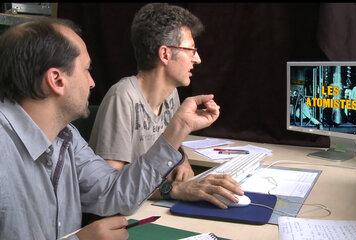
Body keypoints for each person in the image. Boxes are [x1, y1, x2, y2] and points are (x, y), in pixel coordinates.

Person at [0, 17, 242, 240]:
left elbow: (113, 193)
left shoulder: (66, 136)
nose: (93, 82)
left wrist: (179, 128)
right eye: (86, 69)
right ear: (56, 80)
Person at [89, 3, 210, 201]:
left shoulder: (171, 94)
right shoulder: (122, 97)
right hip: (126, 215)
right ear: (165, 54)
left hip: (153, 205)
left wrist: (182, 161)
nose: (197, 59)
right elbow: (110, 186)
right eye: (191, 50)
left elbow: (172, 146)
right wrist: (174, 190)